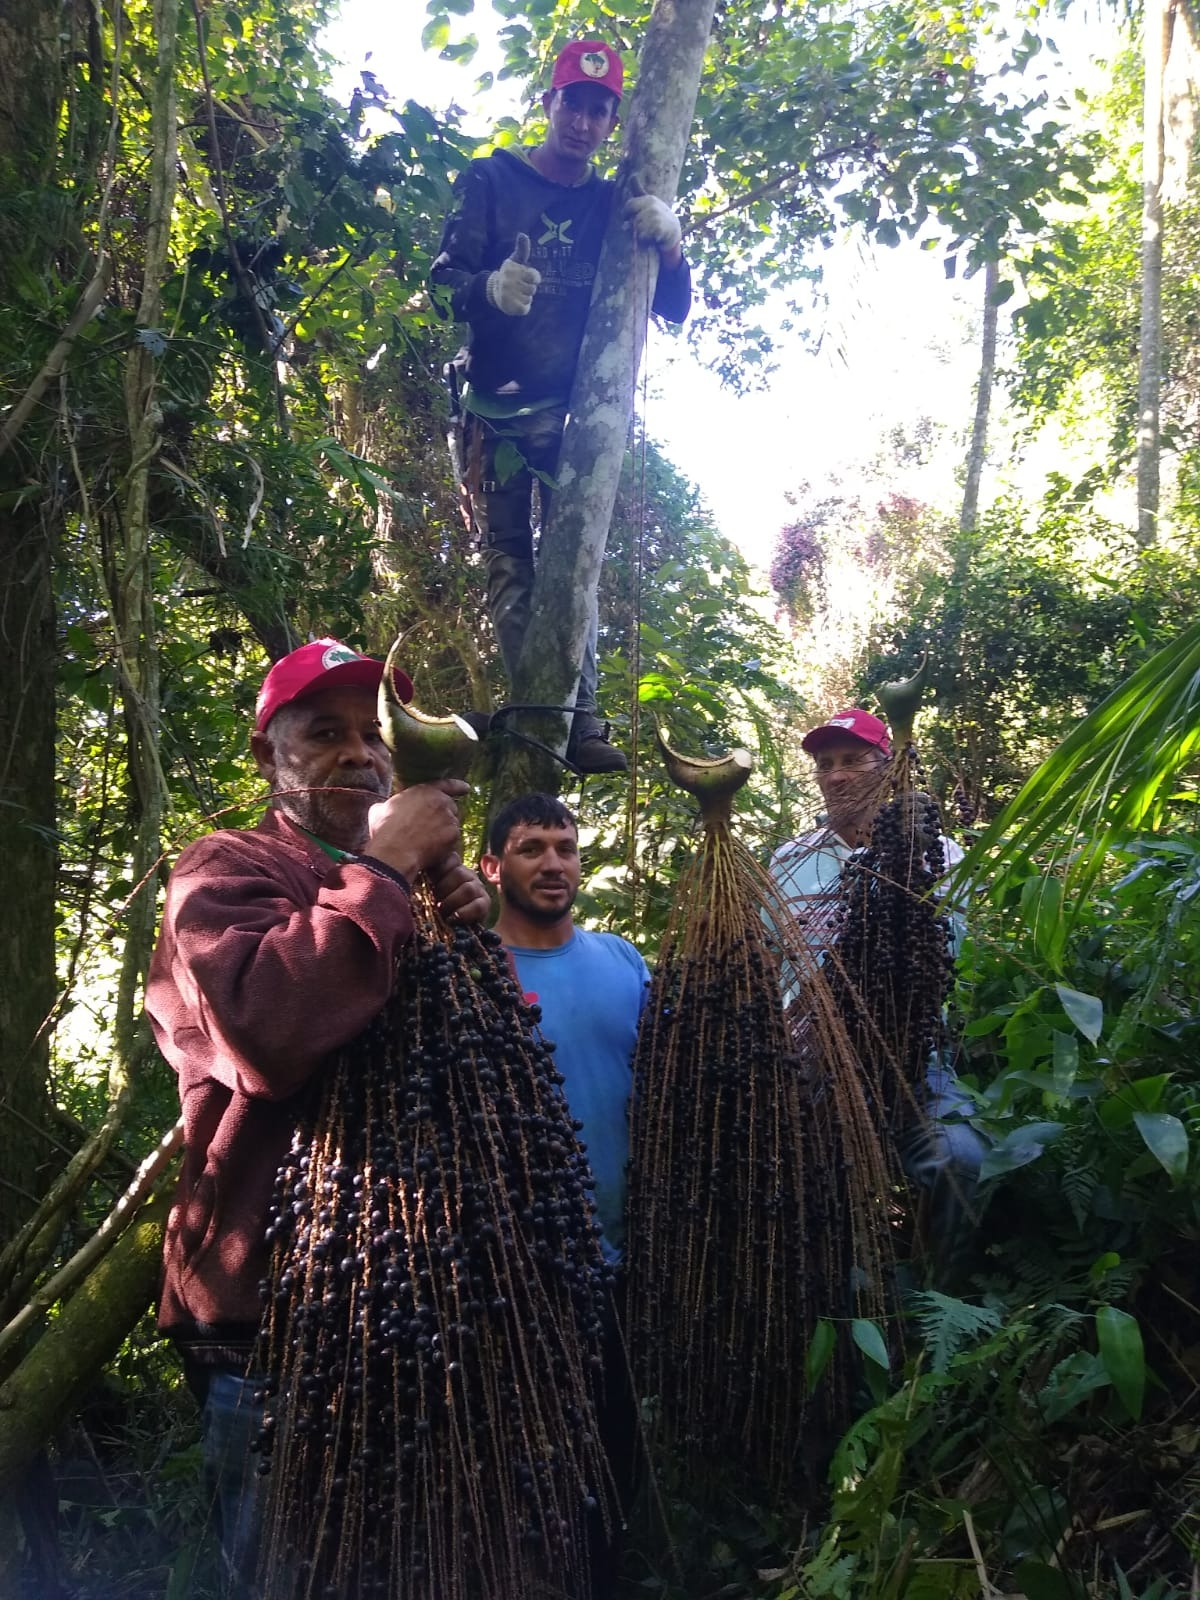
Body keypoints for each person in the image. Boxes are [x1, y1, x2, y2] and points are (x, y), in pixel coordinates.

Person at [144, 637, 490, 1596]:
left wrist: (455, 920)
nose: (361, 754)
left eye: (371, 734)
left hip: (415, 1317)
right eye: (324, 733)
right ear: (268, 757)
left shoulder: (403, 891)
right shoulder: (221, 872)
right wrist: (384, 868)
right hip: (270, 1333)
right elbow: (263, 1031)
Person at [431, 40, 692, 776]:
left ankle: (580, 721)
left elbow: (671, 307)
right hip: (493, 410)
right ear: (547, 104)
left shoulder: (613, 200)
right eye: (572, 104)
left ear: (613, 123)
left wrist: (670, 243)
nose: (583, 121)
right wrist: (489, 287)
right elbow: (442, 279)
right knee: (510, 565)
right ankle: (547, 716)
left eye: (599, 110)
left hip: (576, 414)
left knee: (573, 555)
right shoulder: (493, 177)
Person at [479, 792, 647, 1594]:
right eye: (531, 848)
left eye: (566, 847)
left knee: (617, 1453)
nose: (553, 863)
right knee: (534, 1465)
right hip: (523, 1268)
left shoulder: (623, 961)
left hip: (624, 1258)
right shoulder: (472, 976)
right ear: (491, 866)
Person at [768, 708, 986, 1258]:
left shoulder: (939, 857)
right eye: (824, 764)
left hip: (912, 1049)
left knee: (960, 1160)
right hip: (811, 1057)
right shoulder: (789, 861)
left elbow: (947, 964)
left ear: (887, 766)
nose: (836, 775)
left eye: (851, 760)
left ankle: (937, 1304)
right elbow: (767, 964)